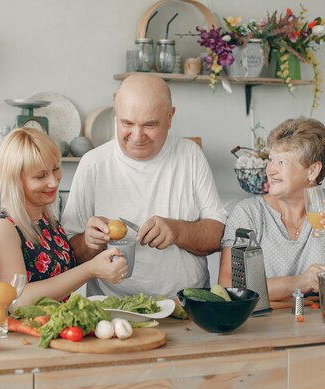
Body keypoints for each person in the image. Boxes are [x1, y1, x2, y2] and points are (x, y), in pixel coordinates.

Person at [61, 73, 227, 299]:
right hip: (113, 310)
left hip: (187, 305)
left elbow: (217, 237)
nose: (137, 136)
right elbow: (69, 256)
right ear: (116, 113)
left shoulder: (190, 155)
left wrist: (177, 231)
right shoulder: (93, 164)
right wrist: (90, 242)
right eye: (127, 123)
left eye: (150, 124)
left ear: (170, 116)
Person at [218, 117, 325, 301]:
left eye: (282, 162)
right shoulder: (248, 213)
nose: (270, 170)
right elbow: (228, 285)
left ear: (313, 170)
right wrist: (298, 283)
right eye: (271, 160)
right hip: (266, 324)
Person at [0, 128, 127, 306]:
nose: (54, 182)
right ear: (14, 181)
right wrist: (91, 270)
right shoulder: (1, 227)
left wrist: (91, 240)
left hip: (55, 329)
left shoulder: (45, 217)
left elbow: (61, 274)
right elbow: (17, 298)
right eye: (41, 176)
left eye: (55, 168)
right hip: (22, 332)